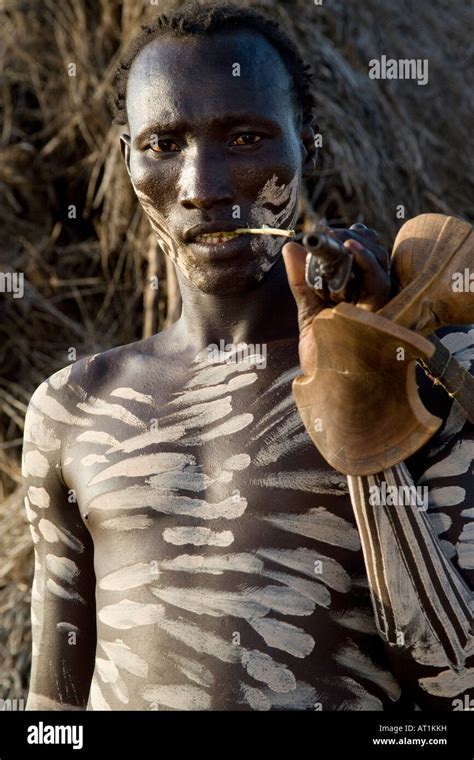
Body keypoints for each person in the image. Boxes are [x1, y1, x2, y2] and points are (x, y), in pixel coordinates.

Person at [23, 1, 472, 711]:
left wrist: (364, 397)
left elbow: (460, 691)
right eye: (163, 144)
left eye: (244, 139)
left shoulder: (425, 372)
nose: (202, 188)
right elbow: (53, 707)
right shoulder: (73, 408)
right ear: (126, 161)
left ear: (309, 146)